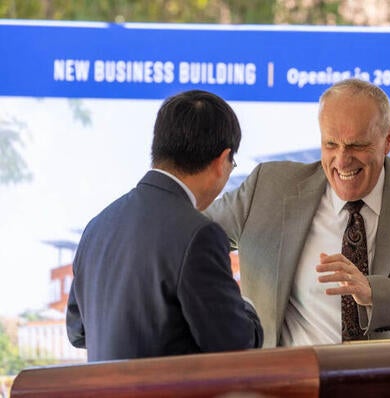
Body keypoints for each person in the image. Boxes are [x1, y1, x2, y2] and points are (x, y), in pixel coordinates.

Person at [204, 78, 390, 348]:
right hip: (292, 383)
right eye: (331, 144)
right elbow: (189, 237)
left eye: (357, 145)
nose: (342, 160)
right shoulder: (268, 189)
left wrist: (373, 292)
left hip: (388, 382)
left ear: (389, 139)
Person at [66, 90, 263, 361]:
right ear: (222, 160)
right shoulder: (199, 234)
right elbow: (234, 343)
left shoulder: (97, 227)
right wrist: (249, 307)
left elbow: (78, 332)